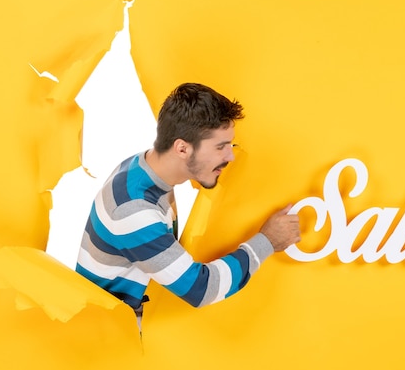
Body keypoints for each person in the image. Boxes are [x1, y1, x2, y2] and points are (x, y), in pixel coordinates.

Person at [75, 82, 300, 319]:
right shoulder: (134, 211)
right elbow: (201, 289)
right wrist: (267, 241)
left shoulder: (140, 167)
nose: (231, 156)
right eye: (220, 147)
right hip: (112, 341)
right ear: (182, 149)